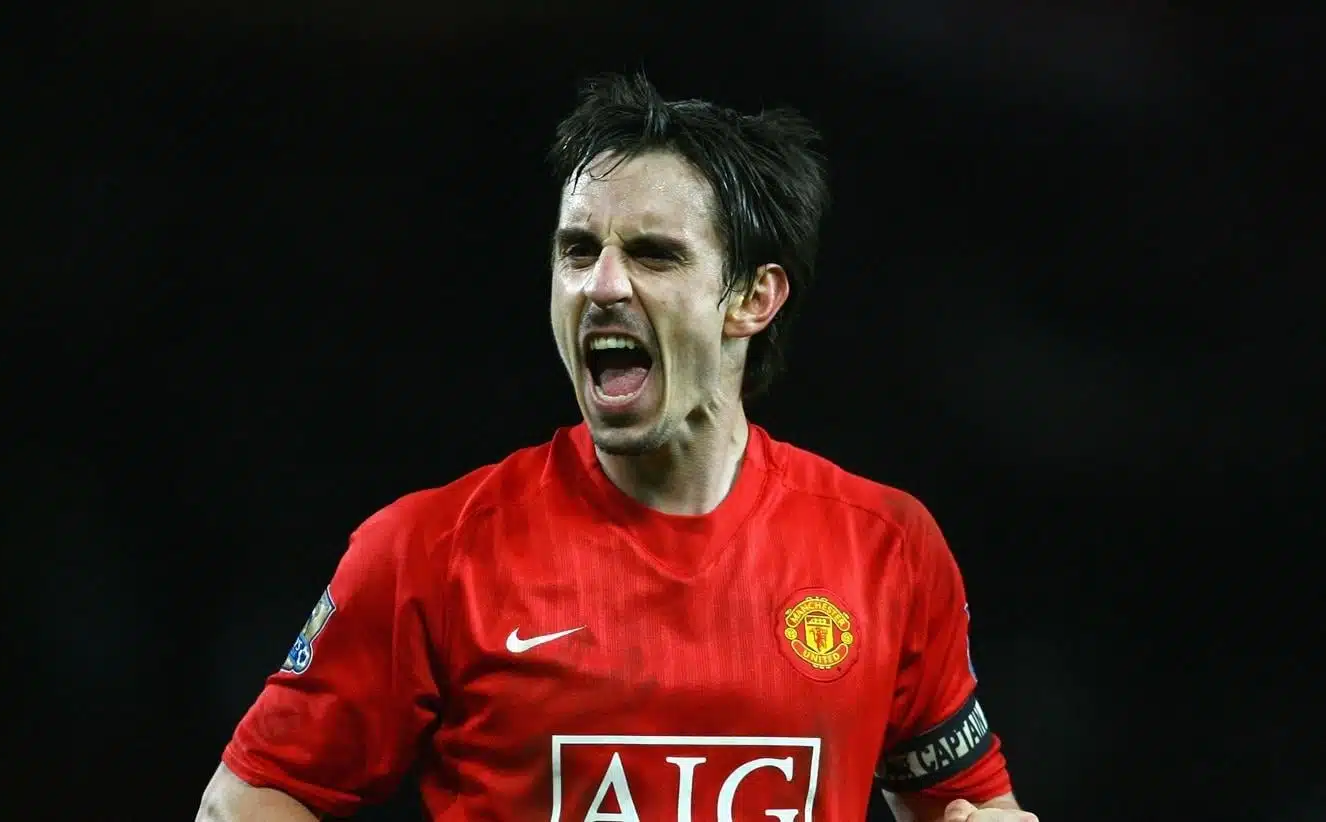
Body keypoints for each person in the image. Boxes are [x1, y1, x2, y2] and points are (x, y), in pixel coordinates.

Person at [197, 73, 1038, 822]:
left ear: (752, 297)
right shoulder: (429, 553)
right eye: (577, 251)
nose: (600, 285)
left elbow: (962, 803)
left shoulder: (887, 550)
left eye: (652, 254)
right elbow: (253, 798)